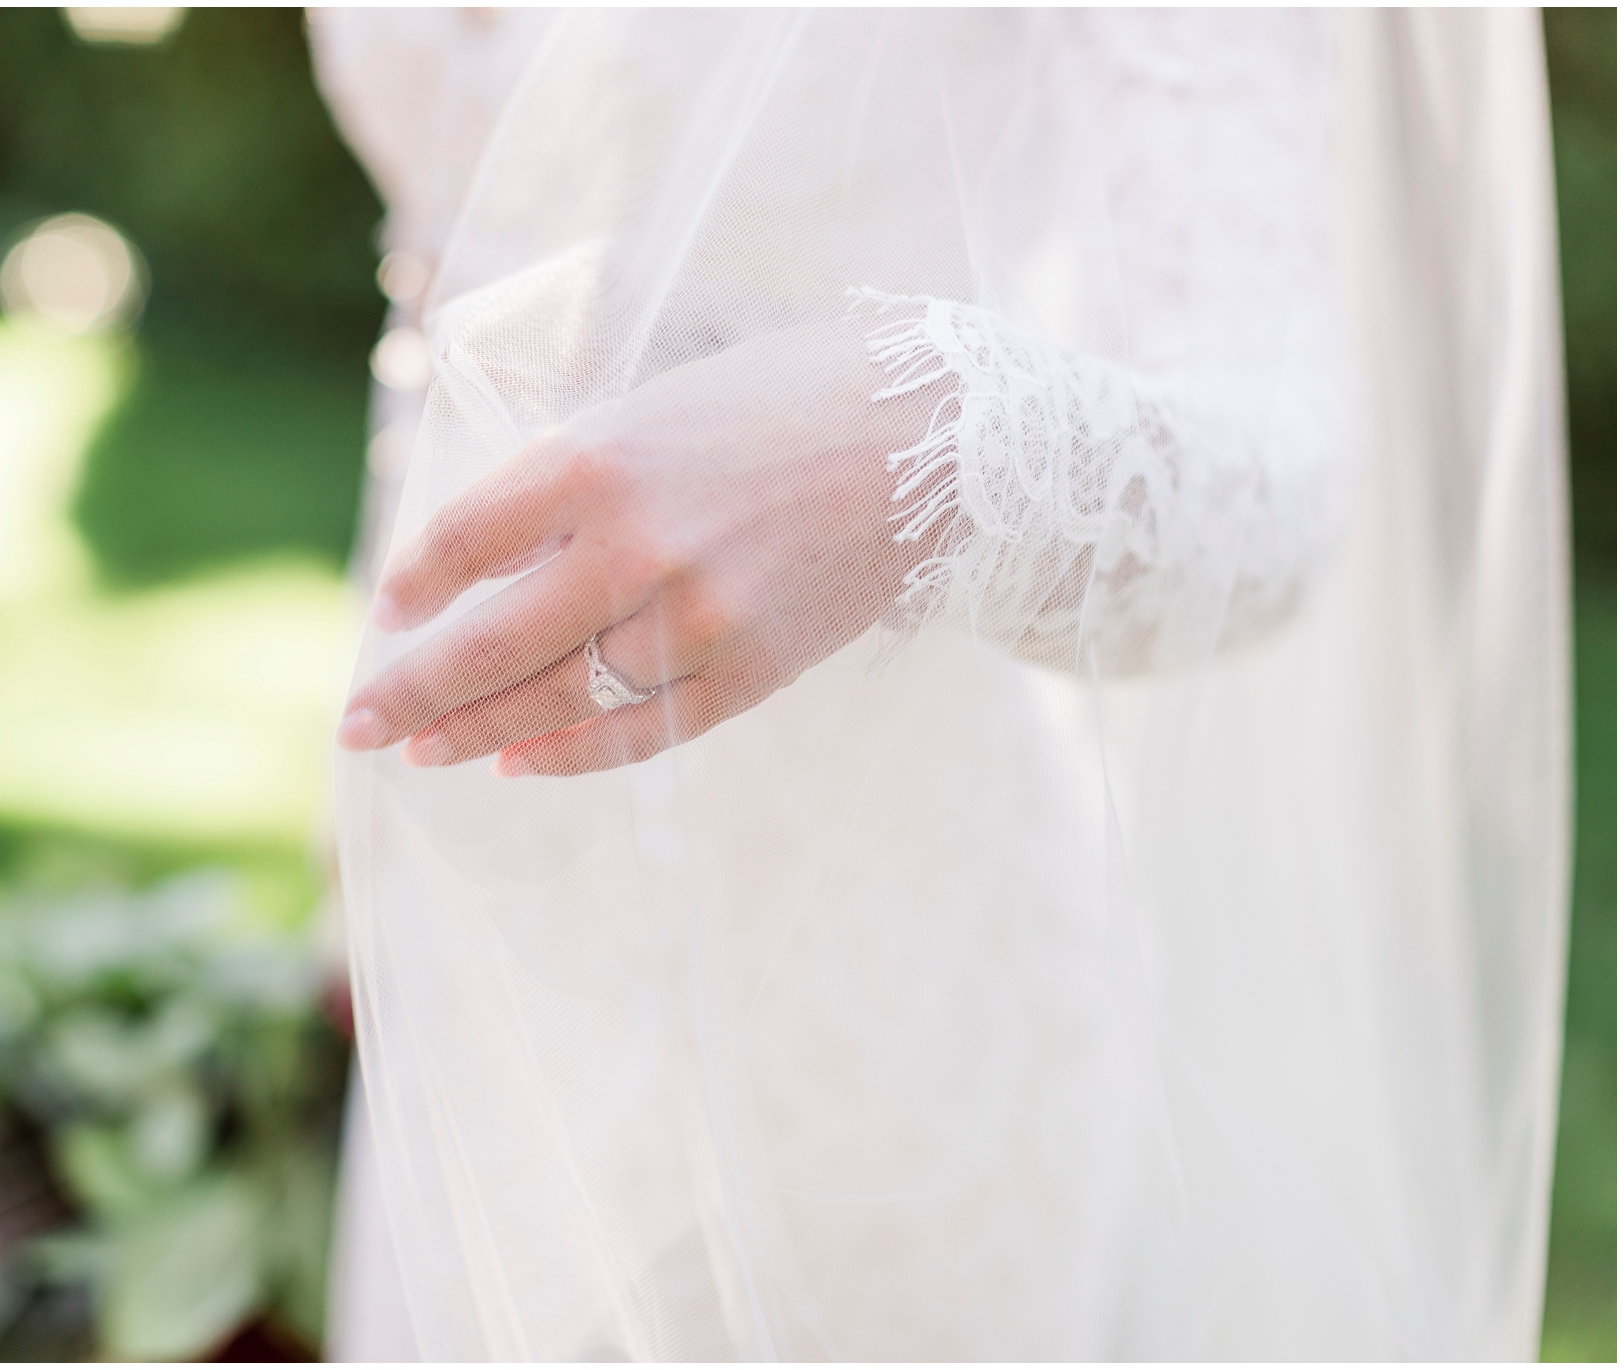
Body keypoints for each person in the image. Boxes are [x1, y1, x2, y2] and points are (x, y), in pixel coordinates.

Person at [312, 10, 1569, 1360]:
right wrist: (366, 823)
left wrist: (931, 440)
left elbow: (1284, 464)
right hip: (491, 918)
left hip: (869, 960)